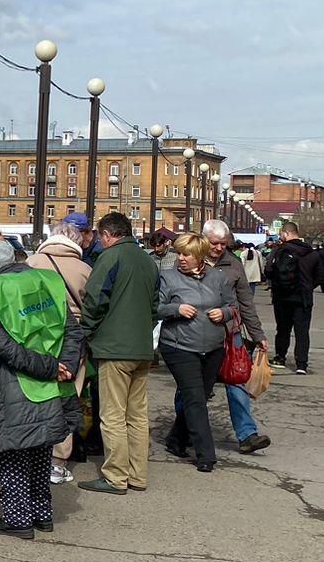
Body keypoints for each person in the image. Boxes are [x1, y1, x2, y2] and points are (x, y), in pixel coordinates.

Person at [0, 239, 81, 539]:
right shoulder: (46, 281)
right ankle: (42, 514)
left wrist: (48, 366)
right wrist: (64, 366)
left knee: (10, 449)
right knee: (39, 448)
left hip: (11, 381)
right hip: (51, 383)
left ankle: (18, 519)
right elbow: (71, 329)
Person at [77, 212, 160, 496]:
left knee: (112, 414)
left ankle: (115, 477)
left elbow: (95, 300)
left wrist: (84, 333)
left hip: (114, 347)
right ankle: (138, 475)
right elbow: (154, 306)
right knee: (137, 415)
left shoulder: (110, 258)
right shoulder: (147, 260)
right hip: (141, 346)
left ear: (107, 235)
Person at [179, 222, 270, 454]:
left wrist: (258, 335)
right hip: (194, 333)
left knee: (236, 380)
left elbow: (245, 303)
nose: (219, 248)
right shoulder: (186, 260)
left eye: (223, 243)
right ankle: (184, 431)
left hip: (229, 333)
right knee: (190, 386)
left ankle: (247, 434)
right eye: (214, 243)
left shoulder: (233, 264)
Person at [157, 232, 238, 473]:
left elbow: (231, 305)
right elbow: (155, 307)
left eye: (186, 254)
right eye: (178, 253)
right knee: (194, 397)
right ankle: (206, 454)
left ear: (200, 256)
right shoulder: (167, 278)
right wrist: (176, 308)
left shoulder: (217, 278)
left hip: (213, 347)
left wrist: (223, 314)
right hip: (179, 346)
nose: (180, 258)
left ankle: (176, 439)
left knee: (200, 396)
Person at [27, 215, 93, 485]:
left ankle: (31, 453)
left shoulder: (31, 264)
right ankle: (57, 461)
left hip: (35, 336)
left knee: (34, 393)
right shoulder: (84, 269)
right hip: (72, 338)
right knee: (67, 396)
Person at [267, 220, 324, 374]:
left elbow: (268, 270)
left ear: (286, 234)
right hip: (304, 298)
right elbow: (321, 276)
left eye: (281, 234)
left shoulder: (280, 250)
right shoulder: (312, 253)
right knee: (302, 332)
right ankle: (301, 364)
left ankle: (280, 357)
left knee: (282, 329)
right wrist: (308, 286)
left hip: (282, 297)